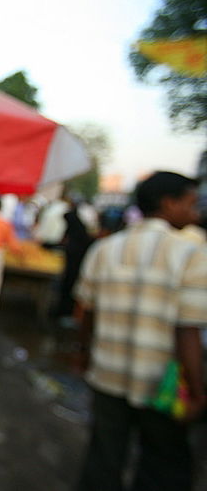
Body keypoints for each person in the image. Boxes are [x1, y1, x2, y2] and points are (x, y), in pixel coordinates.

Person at [74, 171, 206, 491]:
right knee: (162, 465)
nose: (196, 212)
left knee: (104, 458)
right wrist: (199, 391)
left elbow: (85, 313)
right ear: (167, 203)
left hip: (108, 374)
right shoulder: (191, 253)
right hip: (163, 385)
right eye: (190, 203)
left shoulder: (105, 249)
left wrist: (86, 355)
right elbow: (188, 331)